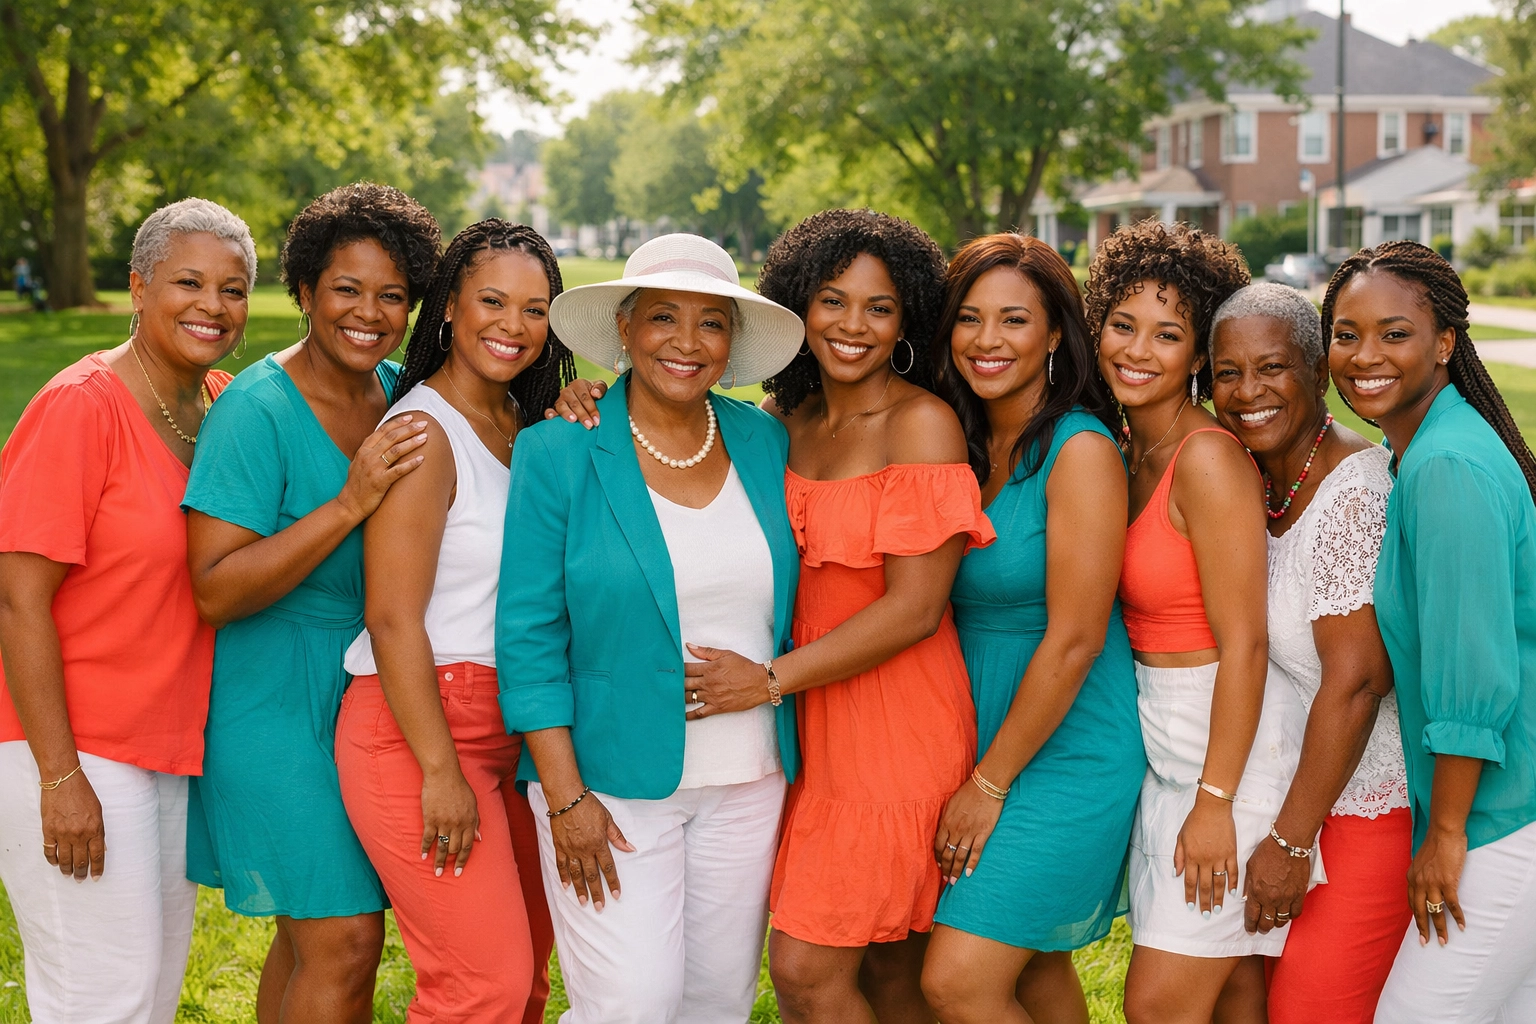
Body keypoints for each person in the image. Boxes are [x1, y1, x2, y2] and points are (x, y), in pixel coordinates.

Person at [551, 211, 992, 1023]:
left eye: (880, 308)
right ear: (798, 306)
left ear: (906, 322)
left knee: (805, 970)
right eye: (832, 300)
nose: (852, 325)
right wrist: (593, 400)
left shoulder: (920, 425)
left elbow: (916, 609)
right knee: (879, 970)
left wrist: (766, 682)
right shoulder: (776, 427)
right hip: (797, 734)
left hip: (886, 723)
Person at [498, 233, 807, 1024]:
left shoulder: (766, 441)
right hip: (608, 782)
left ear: (732, 342)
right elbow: (529, 634)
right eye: (663, 318)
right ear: (626, 330)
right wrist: (565, 798)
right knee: (629, 1006)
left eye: (711, 323)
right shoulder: (560, 448)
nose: (686, 342)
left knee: (715, 1004)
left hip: (749, 777)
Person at [183, 183, 442, 1024]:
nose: (369, 313)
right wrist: (347, 503)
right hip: (273, 704)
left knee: (312, 942)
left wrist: (572, 399)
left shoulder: (405, 392)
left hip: (366, 700)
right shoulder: (255, 411)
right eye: (346, 289)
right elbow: (215, 589)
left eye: (392, 295)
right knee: (345, 940)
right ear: (302, 291)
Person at [0, 198, 254, 1023]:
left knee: (145, 990)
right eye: (188, 282)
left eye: (233, 288)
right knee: (98, 996)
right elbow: (16, 599)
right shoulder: (82, 405)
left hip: (166, 742)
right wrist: (60, 777)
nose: (211, 306)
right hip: (72, 743)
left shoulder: (221, 401)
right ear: (138, 288)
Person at [334, 220, 569, 1023]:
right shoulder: (424, 432)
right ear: (448, 311)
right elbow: (394, 618)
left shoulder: (522, 425)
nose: (512, 326)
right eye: (492, 302)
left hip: (514, 727)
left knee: (526, 979)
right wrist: (439, 770)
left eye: (535, 310)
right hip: (419, 729)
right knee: (481, 988)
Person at [919, 233, 1145, 1024]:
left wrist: (989, 783)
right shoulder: (958, 437)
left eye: (1014, 320)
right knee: (1033, 968)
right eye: (970, 319)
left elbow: (1077, 637)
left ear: (1055, 334)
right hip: (978, 723)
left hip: (1065, 745)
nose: (987, 341)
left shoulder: (1079, 450)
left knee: (960, 979)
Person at [1086, 220, 1306, 1024]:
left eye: (1168, 334)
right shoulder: (1125, 445)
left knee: (1156, 1006)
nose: (1138, 350)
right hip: (1167, 740)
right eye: (1123, 324)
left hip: (1230, 746)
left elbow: (1247, 644)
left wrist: (1216, 800)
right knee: (1234, 995)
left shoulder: (1206, 458)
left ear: (1199, 355)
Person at [1320, 242, 1536, 1022]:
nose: (1364, 355)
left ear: (1445, 342)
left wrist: (1446, 835)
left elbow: (1472, 673)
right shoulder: (1420, 452)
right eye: (1345, 334)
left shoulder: (1446, 466)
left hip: (1504, 818)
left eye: (1394, 333)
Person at [1207, 282, 1406, 1024]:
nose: (1248, 391)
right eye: (1228, 373)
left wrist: (1290, 844)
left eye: (1272, 368)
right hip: (1290, 794)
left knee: (1310, 1011)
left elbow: (1357, 682)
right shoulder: (1254, 477)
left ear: (1317, 372)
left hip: (1364, 805)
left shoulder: (1355, 492)